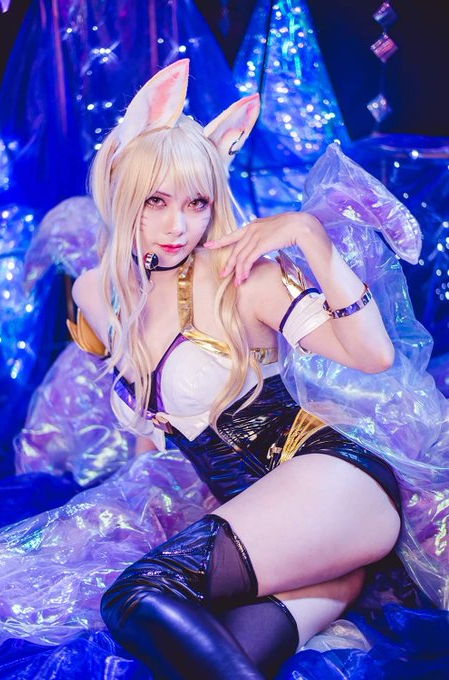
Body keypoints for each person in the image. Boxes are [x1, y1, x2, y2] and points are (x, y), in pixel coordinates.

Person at [69, 58, 411, 679]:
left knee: (137, 594)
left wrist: (308, 234)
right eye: (156, 201)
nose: (178, 225)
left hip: (336, 484)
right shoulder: (103, 292)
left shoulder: (240, 277)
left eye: (196, 203)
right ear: (123, 193)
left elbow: (374, 356)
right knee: (208, 659)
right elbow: (148, 435)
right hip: (277, 536)